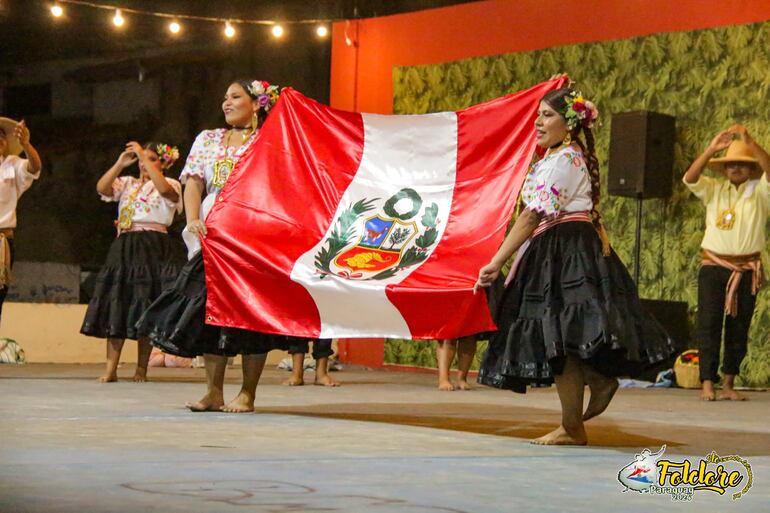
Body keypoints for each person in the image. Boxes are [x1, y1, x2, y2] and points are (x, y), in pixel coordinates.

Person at [475, 87, 673, 445]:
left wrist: (497, 260)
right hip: (557, 246)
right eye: (538, 114)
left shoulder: (566, 159)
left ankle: (573, 423)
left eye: (548, 115)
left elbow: (532, 215)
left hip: (566, 248)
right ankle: (593, 389)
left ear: (569, 124)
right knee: (559, 338)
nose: (539, 121)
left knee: (560, 335)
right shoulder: (556, 157)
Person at [137, 79, 285, 412]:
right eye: (225, 97)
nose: (226, 103)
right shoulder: (209, 139)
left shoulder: (270, 140)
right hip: (213, 231)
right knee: (210, 309)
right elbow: (193, 182)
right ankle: (213, 391)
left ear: (257, 103)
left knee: (249, 312)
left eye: (235, 97)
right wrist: (192, 218)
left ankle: (247, 393)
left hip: (252, 232)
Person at [80, 141, 184, 382]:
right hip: (126, 244)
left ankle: (141, 368)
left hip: (152, 246)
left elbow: (167, 192)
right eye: (142, 158)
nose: (143, 162)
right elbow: (102, 187)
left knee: (145, 303)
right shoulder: (128, 183)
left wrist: (144, 158)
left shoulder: (170, 184)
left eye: (152, 158)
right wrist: (120, 163)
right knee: (117, 303)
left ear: (164, 163)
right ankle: (111, 368)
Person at [683, 125, 770, 401]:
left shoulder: (759, 192)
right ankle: (707, 382)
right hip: (713, 266)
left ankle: (728, 383)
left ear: (750, 168)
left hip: (746, 270)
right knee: (708, 324)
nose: (735, 168)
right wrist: (711, 149)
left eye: (742, 164)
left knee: (738, 326)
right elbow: (690, 177)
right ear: (725, 168)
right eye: (731, 163)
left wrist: (751, 143)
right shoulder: (714, 189)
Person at [0, 117, 42, 326]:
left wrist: (26, 145)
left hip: (1, 241)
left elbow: (34, 168)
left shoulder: (11, 165)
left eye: (1, 137)